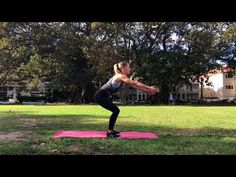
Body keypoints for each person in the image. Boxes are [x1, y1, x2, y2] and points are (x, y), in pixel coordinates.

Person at [94, 61, 159, 138]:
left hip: (104, 96)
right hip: (100, 96)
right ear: (123, 68)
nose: (130, 69)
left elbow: (135, 86)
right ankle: (110, 132)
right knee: (116, 110)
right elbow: (135, 83)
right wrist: (149, 88)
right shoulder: (120, 76)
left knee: (115, 110)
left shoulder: (122, 77)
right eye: (128, 67)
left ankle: (111, 130)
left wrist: (148, 91)